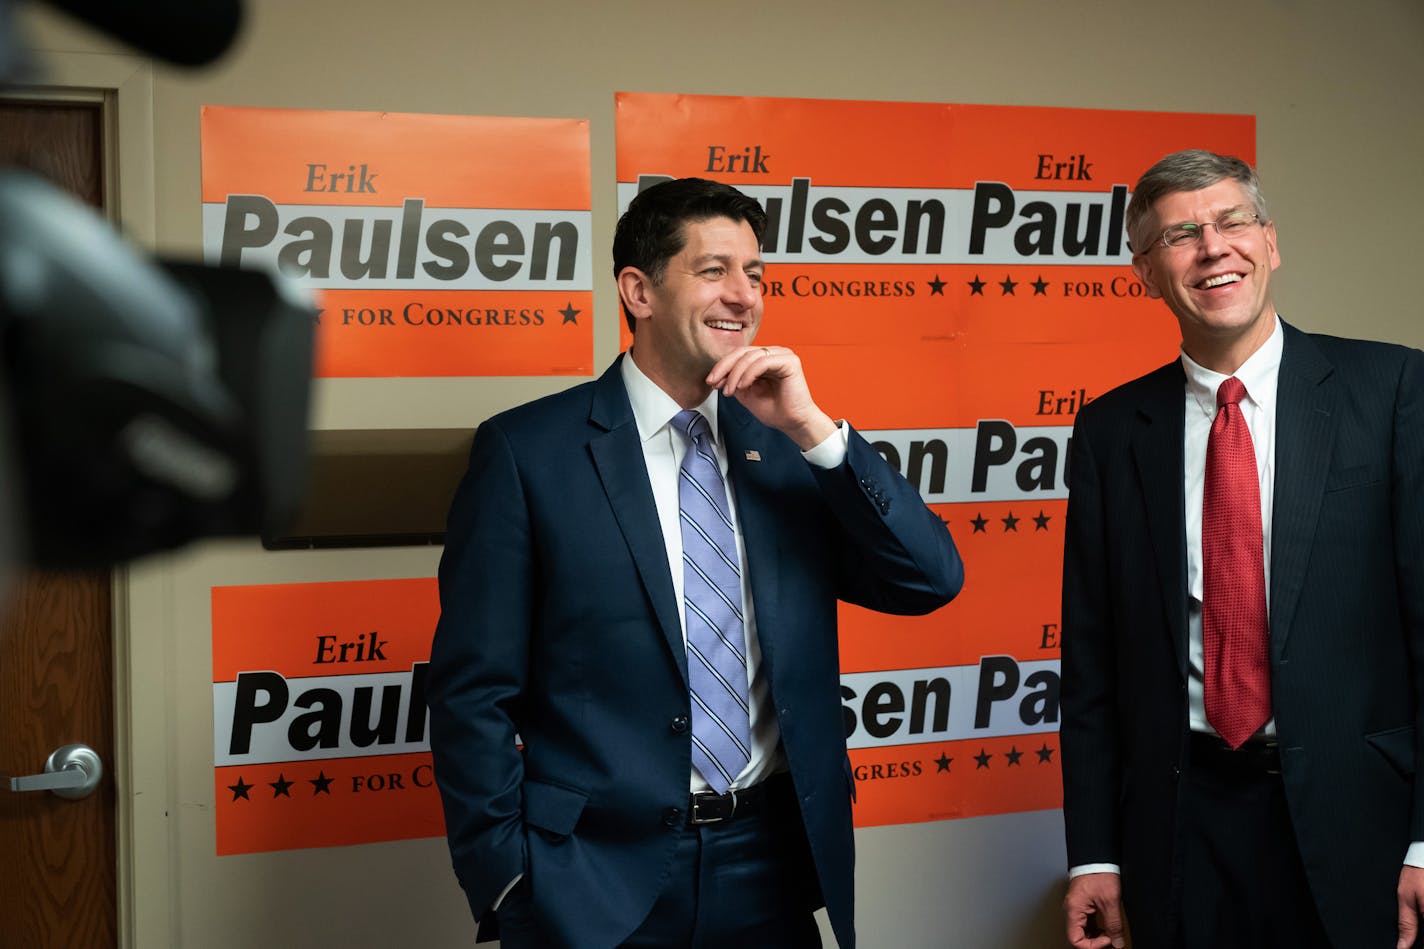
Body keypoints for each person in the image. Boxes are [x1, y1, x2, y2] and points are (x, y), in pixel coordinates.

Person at [427, 177, 964, 949]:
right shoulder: (527, 453)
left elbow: (930, 578)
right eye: (713, 270)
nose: (743, 295)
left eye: (756, 274)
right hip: (589, 878)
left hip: (771, 867)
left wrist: (817, 431)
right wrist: (509, 879)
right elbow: (471, 691)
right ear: (638, 291)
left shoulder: (788, 448)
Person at [1059, 148, 1424, 949]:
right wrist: (1094, 853)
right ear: (1146, 273)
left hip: (1359, 817)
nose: (1213, 247)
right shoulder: (1112, 431)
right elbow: (1090, 666)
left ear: (1270, 242)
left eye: (1231, 222)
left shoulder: (1393, 390)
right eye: (1181, 234)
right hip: (1180, 820)